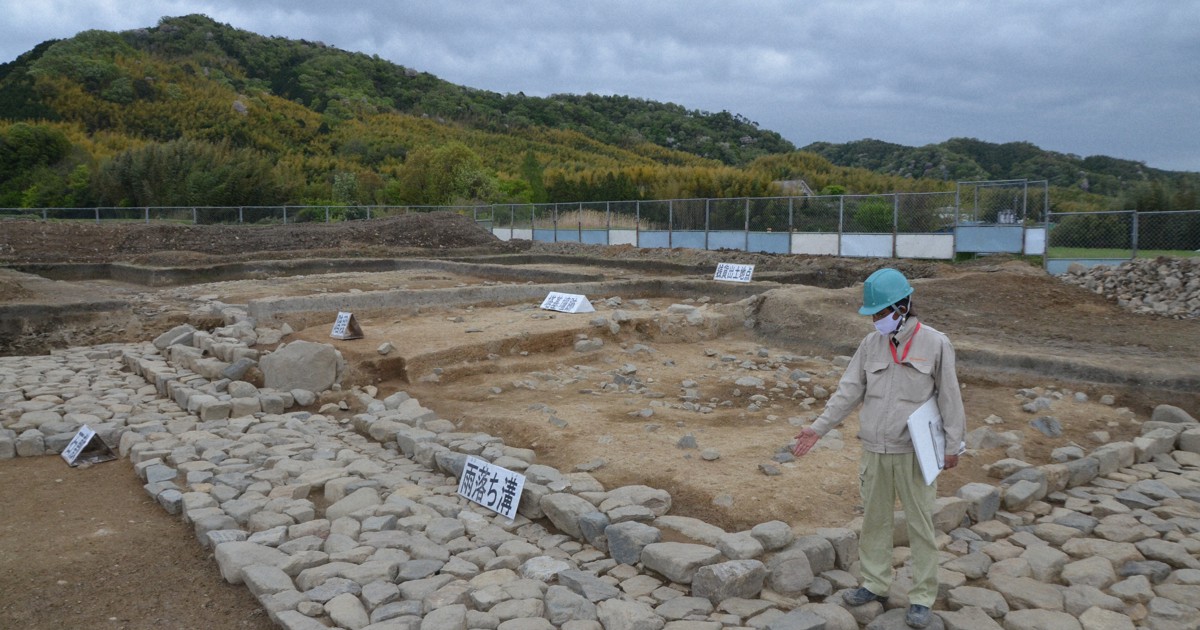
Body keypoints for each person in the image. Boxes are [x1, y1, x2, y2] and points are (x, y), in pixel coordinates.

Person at [792, 267, 965, 629]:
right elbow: (849, 390)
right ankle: (874, 583)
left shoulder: (935, 343)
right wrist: (818, 428)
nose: (876, 320)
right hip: (874, 450)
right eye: (873, 314)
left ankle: (921, 597)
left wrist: (953, 444)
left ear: (902, 308)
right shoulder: (870, 345)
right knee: (874, 522)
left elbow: (950, 398)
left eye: (881, 313)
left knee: (920, 526)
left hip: (914, 453)